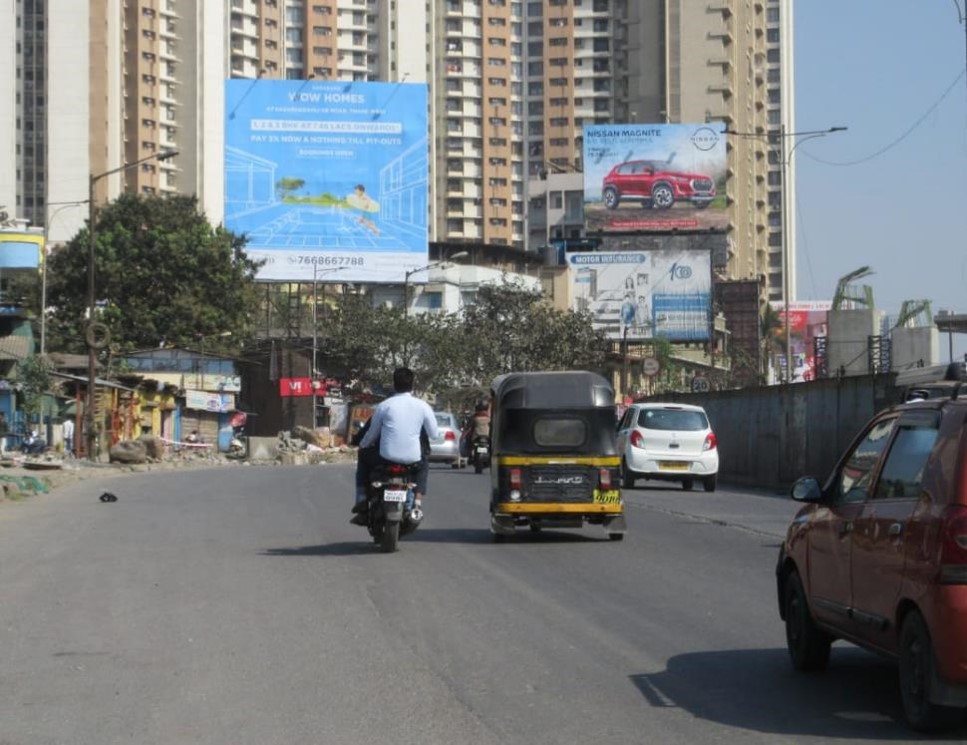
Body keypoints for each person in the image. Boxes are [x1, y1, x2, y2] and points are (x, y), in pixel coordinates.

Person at [351, 367, 438, 523]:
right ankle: (417, 503)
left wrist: (362, 445)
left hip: (385, 457)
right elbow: (434, 434)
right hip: (413, 459)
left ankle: (362, 498)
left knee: (363, 456)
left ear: (394, 384)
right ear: (412, 384)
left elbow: (372, 434)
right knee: (424, 464)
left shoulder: (384, 406)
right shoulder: (423, 406)